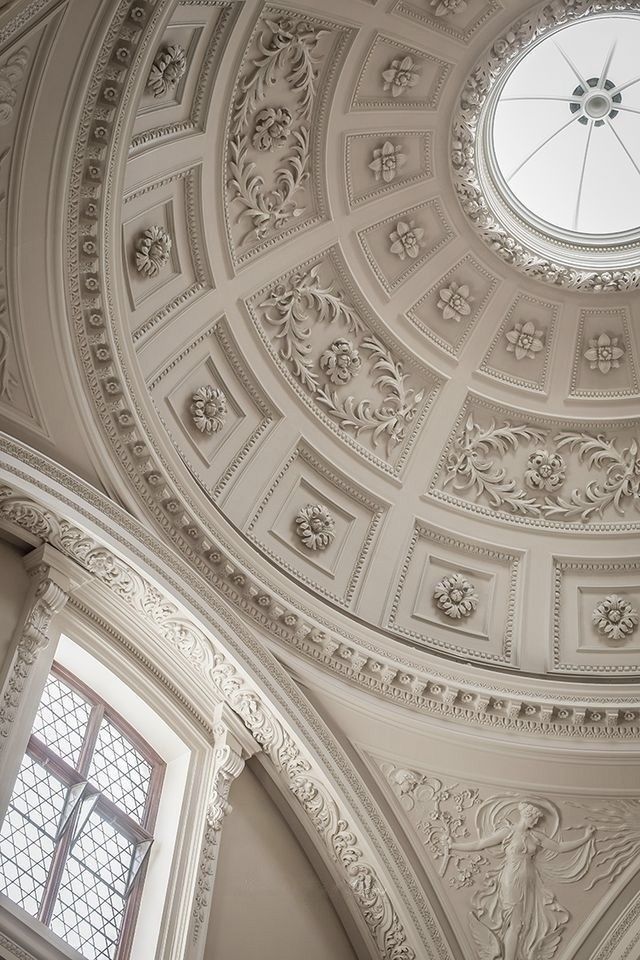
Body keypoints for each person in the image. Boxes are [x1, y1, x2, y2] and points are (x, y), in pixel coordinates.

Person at [446, 799, 595, 960]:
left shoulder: (536, 836)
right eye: (535, 818)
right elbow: (480, 844)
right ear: (526, 815)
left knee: (524, 923)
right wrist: (454, 846)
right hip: (511, 877)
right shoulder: (508, 832)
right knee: (515, 923)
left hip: (530, 880)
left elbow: (559, 847)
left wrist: (585, 838)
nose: (537, 821)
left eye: (538, 819)